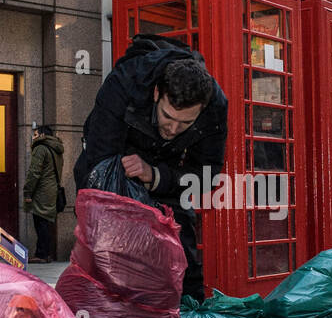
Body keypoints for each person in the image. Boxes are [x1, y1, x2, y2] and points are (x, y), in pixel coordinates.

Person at [74, 34, 228, 300]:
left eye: (185, 124)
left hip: (166, 173)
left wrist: (155, 176)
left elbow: (206, 175)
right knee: (115, 269)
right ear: (157, 93)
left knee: (184, 260)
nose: (173, 128)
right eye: (168, 117)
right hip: (115, 168)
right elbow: (99, 161)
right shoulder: (123, 83)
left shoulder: (215, 106)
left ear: (202, 110)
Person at [23, 124, 64, 264]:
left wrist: (27, 192)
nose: (32, 137)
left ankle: (42, 254)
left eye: (34, 134)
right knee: (46, 222)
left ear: (41, 135)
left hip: (41, 191)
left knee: (40, 223)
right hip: (52, 189)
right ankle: (46, 254)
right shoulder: (56, 148)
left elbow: (34, 172)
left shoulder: (40, 148)